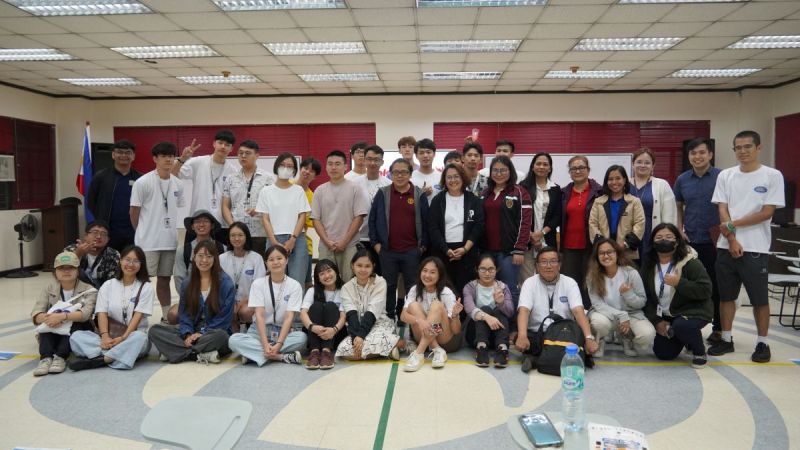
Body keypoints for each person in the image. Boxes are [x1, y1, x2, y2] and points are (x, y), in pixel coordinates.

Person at [709, 130, 784, 363]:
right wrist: (731, 238)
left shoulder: (772, 175)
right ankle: (727, 338)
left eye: (747, 147)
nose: (742, 151)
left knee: (760, 299)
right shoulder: (726, 176)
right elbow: (722, 208)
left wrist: (732, 224)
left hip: (756, 248)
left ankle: (762, 343)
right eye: (738, 147)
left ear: (758, 148)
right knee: (726, 297)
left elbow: (767, 212)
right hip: (726, 245)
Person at [148, 241, 236, 364]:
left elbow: (225, 319)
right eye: (200, 256)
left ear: (215, 259)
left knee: (221, 337)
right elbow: (184, 315)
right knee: (155, 330)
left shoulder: (225, 283)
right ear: (193, 258)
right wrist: (188, 333)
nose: (204, 260)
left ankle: (175, 352)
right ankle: (198, 354)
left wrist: (201, 333)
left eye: (209, 256)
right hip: (193, 330)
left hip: (213, 332)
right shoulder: (187, 283)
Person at [68, 245, 153, 371]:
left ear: (141, 265)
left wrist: (123, 338)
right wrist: (105, 336)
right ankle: (118, 355)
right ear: (120, 261)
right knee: (76, 336)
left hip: (131, 336)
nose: (130, 264)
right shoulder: (108, 285)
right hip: (110, 338)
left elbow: (137, 316)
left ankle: (101, 359)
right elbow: (101, 313)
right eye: (127, 259)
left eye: (136, 261)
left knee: (140, 338)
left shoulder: (146, 287)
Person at [515, 247, 598, 372]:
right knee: (520, 339)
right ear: (537, 266)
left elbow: (578, 311)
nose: (548, 266)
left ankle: (536, 359)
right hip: (538, 333)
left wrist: (588, 338)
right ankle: (570, 358)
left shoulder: (570, 283)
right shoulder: (529, 283)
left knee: (580, 338)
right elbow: (524, 311)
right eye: (543, 262)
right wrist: (522, 335)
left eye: (553, 261)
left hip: (564, 333)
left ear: (559, 265)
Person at [642, 223, 713, 368]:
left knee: (682, 325)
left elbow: (706, 290)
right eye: (659, 237)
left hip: (692, 312)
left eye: (669, 237)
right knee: (664, 353)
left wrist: (679, 283)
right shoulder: (649, 266)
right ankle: (684, 338)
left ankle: (699, 351)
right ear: (653, 243)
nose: (664, 240)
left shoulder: (690, 262)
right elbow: (646, 298)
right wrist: (657, 321)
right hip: (667, 315)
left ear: (677, 241)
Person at [130, 141, 186, 323]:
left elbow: (175, 209)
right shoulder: (143, 182)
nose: (168, 159)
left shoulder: (178, 183)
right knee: (142, 282)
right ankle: (137, 318)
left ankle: (165, 315)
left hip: (169, 241)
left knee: (164, 281)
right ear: (155, 158)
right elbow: (134, 212)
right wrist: (141, 233)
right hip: (147, 242)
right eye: (163, 156)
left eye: (171, 156)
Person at [673, 138, 722, 344]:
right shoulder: (682, 179)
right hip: (691, 241)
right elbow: (679, 206)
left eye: (702, 152)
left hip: (716, 241)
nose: (697, 157)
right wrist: (679, 229)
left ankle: (719, 328)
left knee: (717, 285)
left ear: (710, 154)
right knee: (690, 284)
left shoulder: (722, 177)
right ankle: (690, 324)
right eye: (693, 153)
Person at [370, 157, 429, 320]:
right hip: (388, 251)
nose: (400, 175)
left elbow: (427, 222)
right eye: (396, 172)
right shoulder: (383, 194)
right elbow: (372, 220)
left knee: (412, 288)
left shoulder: (418, 194)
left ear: (410, 174)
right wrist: (376, 245)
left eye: (404, 172)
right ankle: (388, 318)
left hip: (412, 251)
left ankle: (410, 319)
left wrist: (422, 247)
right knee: (388, 287)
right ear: (391, 174)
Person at [228, 245, 306, 366]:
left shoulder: (294, 285)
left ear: (286, 260)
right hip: (258, 331)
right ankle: (280, 357)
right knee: (233, 340)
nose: (275, 262)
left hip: (283, 331)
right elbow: (259, 315)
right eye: (271, 259)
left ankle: (252, 355)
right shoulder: (258, 284)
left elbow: (289, 317)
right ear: (266, 263)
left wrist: (279, 343)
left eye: (279, 258)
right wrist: (265, 344)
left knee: (301, 338)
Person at [30, 252, 97, 376]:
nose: (66, 271)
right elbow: (36, 312)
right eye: (61, 268)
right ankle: (46, 358)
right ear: (55, 271)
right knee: (46, 326)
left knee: (75, 324)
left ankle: (60, 357)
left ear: (78, 270)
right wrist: (49, 318)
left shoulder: (89, 289)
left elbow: (85, 314)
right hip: (54, 327)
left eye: (70, 267)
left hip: (79, 326)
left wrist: (61, 317)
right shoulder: (49, 288)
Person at [586, 238, 655, 358]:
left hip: (631, 315)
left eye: (610, 252)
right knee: (598, 323)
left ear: (617, 253)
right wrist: (621, 315)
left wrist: (628, 294)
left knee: (647, 335)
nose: (606, 256)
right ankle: (600, 339)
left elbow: (641, 302)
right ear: (597, 256)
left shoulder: (631, 273)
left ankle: (626, 337)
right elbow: (598, 305)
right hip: (605, 315)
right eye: (602, 253)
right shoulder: (592, 276)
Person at [480, 155, 532, 305]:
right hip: (487, 251)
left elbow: (525, 222)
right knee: (489, 289)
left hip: (509, 252)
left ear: (510, 171)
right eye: (495, 170)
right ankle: (494, 322)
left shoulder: (520, 192)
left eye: (503, 170)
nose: (499, 173)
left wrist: (519, 249)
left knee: (509, 288)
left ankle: (513, 324)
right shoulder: (485, 193)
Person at [311, 150, 370, 281]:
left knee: (349, 282)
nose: (333, 167)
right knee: (327, 282)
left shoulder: (355, 188)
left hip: (349, 245)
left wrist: (344, 241)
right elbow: (316, 219)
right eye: (330, 164)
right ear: (326, 167)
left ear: (345, 167)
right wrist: (327, 241)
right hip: (326, 246)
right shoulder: (320, 190)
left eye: (337, 164)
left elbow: (359, 217)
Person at [428, 163, 484, 297]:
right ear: (444, 180)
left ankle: (465, 317)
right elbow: (433, 227)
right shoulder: (438, 200)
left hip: (466, 251)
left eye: (456, 176)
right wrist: (445, 249)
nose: (453, 180)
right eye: (449, 177)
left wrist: (465, 248)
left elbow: (478, 225)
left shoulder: (473, 200)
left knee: (465, 289)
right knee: (444, 289)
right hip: (443, 251)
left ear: (463, 178)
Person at [172, 130, 238, 244]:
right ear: (214, 144)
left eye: (227, 145)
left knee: (220, 259)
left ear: (231, 149)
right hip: (198, 222)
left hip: (221, 224)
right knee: (193, 258)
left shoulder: (233, 171)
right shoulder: (198, 162)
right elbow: (173, 174)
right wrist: (182, 159)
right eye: (220, 143)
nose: (223, 147)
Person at [336, 249, 401, 361]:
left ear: (373, 267)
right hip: (357, 326)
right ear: (352, 266)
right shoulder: (346, 288)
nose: (363, 269)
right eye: (359, 265)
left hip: (379, 323)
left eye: (367, 266)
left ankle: (398, 344)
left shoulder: (380, 282)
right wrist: (356, 338)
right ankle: (388, 349)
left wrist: (361, 336)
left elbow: (372, 312)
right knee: (344, 350)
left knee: (364, 346)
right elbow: (351, 315)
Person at [400, 257, 464, 372]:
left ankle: (418, 353)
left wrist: (455, 316)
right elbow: (403, 316)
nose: (427, 275)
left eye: (432, 272)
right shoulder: (415, 290)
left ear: (440, 275)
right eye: (424, 271)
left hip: (445, 339)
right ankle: (437, 349)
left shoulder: (446, 292)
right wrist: (420, 321)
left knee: (436, 305)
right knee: (413, 306)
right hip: (424, 334)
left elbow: (456, 331)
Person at [257, 152, 311, 286]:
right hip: (273, 239)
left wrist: (293, 239)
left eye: (290, 166)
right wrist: (274, 241)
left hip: (297, 240)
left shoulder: (298, 190)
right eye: (283, 165)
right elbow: (265, 218)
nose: (286, 168)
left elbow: (302, 216)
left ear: (294, 170)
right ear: (276, 167)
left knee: (297, 281)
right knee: (275, 281)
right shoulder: (266, 191)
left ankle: (296, 307)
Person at [560, 155, 603, 309]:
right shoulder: (564, 193)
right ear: (570, 172)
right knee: (570, 284)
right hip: (568, 246)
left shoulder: (599, 192)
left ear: (588, 170)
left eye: (581, 167)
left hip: (591, 246)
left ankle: (590, 317)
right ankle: (570, 319)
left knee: (589, 284)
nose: (577, 171)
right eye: (573, 168)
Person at [86, 139, 142, 251]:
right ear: (113, 154)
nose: (123, 155)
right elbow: (91, 201)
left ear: (133, 156)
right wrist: (101, 221)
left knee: (131, 264)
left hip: (134, 231)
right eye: (120, 152)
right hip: (108, 232)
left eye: (127, 152)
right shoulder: (101, 177)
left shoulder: (141, 179)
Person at [222, 139, 274, 255]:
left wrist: (258, 210)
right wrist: (233, 227)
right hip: (236, 235)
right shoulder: (230, 178)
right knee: (236, 267)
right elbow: (225, 206)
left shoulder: (268, 179)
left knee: (259, 268)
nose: (243, 156)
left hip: (259, 232)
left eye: (248, 153)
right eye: (240, 153)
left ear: (257, 155)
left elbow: (274, 206)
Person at [462, 254, 513, 368]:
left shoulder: (502, 287)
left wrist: (501, 303)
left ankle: (502, 349)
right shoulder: (469, 287)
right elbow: (469, 309)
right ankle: (481, 348)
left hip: (498, 336)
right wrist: (487, 317)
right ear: (477, 270)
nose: (487, 273)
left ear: (497, 270)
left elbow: (510, 312)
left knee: (499, 311)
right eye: (483, 269)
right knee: (484, 309)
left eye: (491, 269)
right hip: (475, 335)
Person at [519, 152, 562, 282]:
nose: (541, 167)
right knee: (526, 279)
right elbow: (518, 214)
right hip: (526, 240)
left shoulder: (555, 189)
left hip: (547, 239)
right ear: (533, 166)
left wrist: (541, 233)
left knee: (547, 278)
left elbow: (557, 215)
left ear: (550, 168)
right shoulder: (523, 187)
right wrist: (530, 234)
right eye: (538, 164)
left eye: (545, 164)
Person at [588, 165, 645, 263]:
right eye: (610, 179)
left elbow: (640, 224)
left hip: (627, 253)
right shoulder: (598, 202)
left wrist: (625, 244)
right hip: (604, 253)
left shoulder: (634, 201)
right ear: (606, 182)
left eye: (618, 178)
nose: (614, 182)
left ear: (624, 180)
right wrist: (603, 246)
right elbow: (592, 224)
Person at [629, 148, 677, 260]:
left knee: (650, 269)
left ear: (653, 166)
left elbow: (669, 216)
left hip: (651, 233)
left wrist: (666, 238)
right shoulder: (624, 184)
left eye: (647, 162)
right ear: (633, 164)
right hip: (629, 235)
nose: (643, 165)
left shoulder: (662, 185)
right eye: (639, 162)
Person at [300, 259, 346, 369]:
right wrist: (312, 327)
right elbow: (303, 313)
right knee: (316, 306)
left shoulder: (344, 290)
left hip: (335, 334)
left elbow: (343, 315)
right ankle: (314, 352)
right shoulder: (312, 290)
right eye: (322, 274)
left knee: (331, 306)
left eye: (329, 271)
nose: (327, 275)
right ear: (318, 278)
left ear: (336, 272)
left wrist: (333, 329)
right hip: (314, 333)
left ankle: (327, 352)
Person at [220, 222, 266, 332]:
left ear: (246, 237)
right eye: (233, 235)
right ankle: (233, 331)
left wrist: (241, 303)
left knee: (245, 311)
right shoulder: (222, 258)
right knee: (229, 310)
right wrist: (230, 303)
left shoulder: (256, 258)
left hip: (250, 300)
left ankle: (251, 329)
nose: (236, 238)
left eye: (240, 235)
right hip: (227, 299)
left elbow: (259, 286)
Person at [173, 209, 226, 298]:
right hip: (192, 297)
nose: (201, 224)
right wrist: (188, 299)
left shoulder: (222, 248)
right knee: (173, 312)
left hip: (217, 296)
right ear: (192, 226)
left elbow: (226, 277)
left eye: (205, 221)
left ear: (212, 225)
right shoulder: (183, 250)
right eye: (197, 221)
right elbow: (179, 278)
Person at [356, 145, 391, 273]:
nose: (372, 163)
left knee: (380, 275)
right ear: (364, 160)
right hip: (360, 237)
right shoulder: (355, 184)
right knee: (361, 275)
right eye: (369, 159)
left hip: (381, 240)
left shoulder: (388, 184)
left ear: (382, 162)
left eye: (376, 159)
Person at [63, 220, 120, 288]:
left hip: (102, 291)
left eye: (103, 234)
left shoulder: (113, 255)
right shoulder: (71, 249)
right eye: (95, 232)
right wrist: (77, 255)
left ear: (108, 239)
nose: (98, 236)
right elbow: (61, 272)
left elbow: (114, 282)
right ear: (85, 236)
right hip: (75, 289)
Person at [296, 157, 321, 288]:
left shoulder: (313, 196)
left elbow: (310, 222)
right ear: (300, 169)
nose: (307, 172)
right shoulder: (286, 185)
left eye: (311, 171)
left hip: (304, 244)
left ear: (315, 176)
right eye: (305, 168)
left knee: (306, 283)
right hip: (280, 240)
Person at [410, 138, 441, 203]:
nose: (425, 156)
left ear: (434, 154)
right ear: (416, 156)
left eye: (428, 152)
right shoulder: (410, 177)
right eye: (421, 153)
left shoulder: (441, 177)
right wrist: (421, 194)